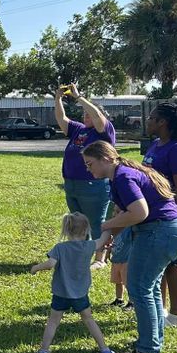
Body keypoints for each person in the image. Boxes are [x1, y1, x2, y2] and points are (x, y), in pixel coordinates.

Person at [83, 141, 177, 353]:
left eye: (90, 164)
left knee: (139, 288)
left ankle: (148, 350)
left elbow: (140, 212)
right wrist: (106, 238)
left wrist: (105, 225)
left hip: (160, 231)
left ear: (105, 158)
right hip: (172, 230)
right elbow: (126, 216)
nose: (88, 169)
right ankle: (152, 343)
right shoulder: (119, 176)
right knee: (148, 288)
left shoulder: (122, 176)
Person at [29, 212, 118, 353]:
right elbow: (103, 240)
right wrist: (111, 225)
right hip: (80, 294)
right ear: (86, 231)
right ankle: (105, 350)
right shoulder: (89, 246)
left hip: (61, 293)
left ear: (67, 230)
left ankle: (43, 351)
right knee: (89, 319)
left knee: (53, 321)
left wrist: (36, 268)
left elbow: (50, 264)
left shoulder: (60, 248)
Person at [142, 103, 177, 328]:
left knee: (172, 263)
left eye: (152, 118)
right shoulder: (155, 145)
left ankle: (174, 315)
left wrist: (175, 217)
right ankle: (160, 309)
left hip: (174, 209)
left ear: (163, 122)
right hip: (155, 208)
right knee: (158, 263)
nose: (148, 121)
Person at [55, 84, 116, 240]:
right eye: (84, 114)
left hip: (93, 185)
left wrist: (78, 97)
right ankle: (82, 252)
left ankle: (99, 258)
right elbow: (62, 119)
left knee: (96, 222)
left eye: (88, 113)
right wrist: (58, 99)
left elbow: (97, 117)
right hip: (71, 184)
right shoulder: (79, 129)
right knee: (78, 222)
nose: (85, 116)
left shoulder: (104, 131)